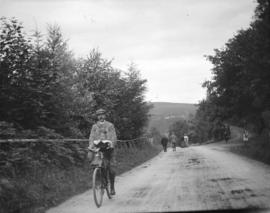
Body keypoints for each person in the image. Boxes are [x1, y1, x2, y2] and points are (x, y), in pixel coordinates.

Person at [88, 108, 117, 195]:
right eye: (99, 115)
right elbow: (91, 137)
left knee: (111, 169)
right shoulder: (94, 126)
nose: (101, 116)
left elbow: (113, 136)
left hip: (109, 149)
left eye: (102, 114)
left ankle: (112, 187)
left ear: (105, 115)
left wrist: (111, 144)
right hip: (99, 149)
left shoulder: (110, 125)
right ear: (97, 117)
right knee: (96, 165)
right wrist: (91, 146)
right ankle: (101, 182)